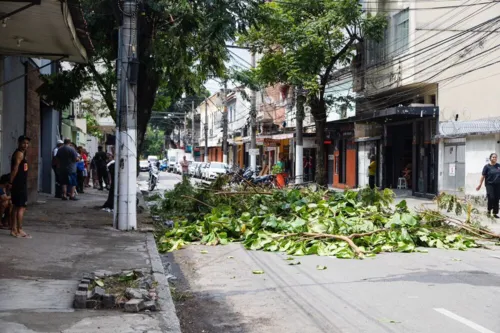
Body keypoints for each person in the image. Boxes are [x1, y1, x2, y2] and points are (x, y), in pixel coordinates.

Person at [9, 135, 31, 238]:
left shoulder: (22, 153)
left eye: (27, 143)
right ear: (19, 143)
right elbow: (15, 169)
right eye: (23, 143)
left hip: (19, 184)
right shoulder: (19, 154)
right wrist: (10, 182)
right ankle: (19, 230)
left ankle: (14, 229)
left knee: (15, 207)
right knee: (21, 207)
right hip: (19, 184)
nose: (25, 145)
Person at [476, 153, 500, 218]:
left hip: (498, 185)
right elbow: (483, 176)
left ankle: (495, 213)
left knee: (496, 198)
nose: (494, 158)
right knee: (491, 198)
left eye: (495, 157)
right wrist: (480, 184)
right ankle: (489, 211)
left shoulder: (498, 166)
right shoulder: (487, 167)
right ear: (490, 158)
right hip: (489, 184)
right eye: (493, 157)